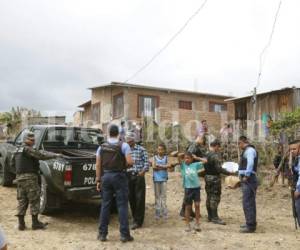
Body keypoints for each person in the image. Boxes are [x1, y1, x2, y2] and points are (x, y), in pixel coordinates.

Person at [11, 131, 60, 231]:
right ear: (25, 139)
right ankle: (35, 223)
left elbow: (12, 165)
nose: (33, 141)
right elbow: (41, 155)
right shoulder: (28, 149)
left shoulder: (17, 150)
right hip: (30, 178)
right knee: (34, 200)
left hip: (19, 178)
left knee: (22, 200)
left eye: (33, 139)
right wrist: (55, 155)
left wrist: (19, 173)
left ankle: (21, 224)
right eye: (31, 139)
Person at [96, 124, 134, 243]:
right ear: (118, 133)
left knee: (105, 205)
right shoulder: (124, 145)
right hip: (119, 176)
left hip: (106, 177)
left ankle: (102, 234)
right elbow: (130, 162)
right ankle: (124, 235)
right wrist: (125, 165)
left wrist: (98, 180)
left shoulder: (101, 147)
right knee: (122, 205)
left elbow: (98, 165)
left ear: (108, 133)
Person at [204, 139, 234, 225]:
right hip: (214, 178)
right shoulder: (215, 156)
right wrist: (229, 172)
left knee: (209, 196)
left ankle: (210, 216)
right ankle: (215, 217)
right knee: (215, 197)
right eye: (219, 147)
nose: (219, 148)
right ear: (216, 146)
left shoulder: (206, 154)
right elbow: (219, 168)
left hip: (207, 177)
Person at [126, 132, 149, 230]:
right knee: (131, 198)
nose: (129, 142)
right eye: (127, 141)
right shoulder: (125, 150)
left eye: (130, 141)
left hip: (139, 175)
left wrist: (143, 171)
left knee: (140, 198)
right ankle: (135, 218)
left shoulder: (141, 149)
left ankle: (139, 221)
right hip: (128, 176)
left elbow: (147, 162)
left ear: (134, 140)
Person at [179, 136, 207, 217]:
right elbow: (188, 158)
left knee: (189, 194)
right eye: (202, 140)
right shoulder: (194, 146)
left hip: (190, 171)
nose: (203, 143)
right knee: (188, 194)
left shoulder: (194, 145)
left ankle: (187, 212)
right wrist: (191, 170)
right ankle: (184, 212)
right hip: (190, 172)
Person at [178, 151, 205, 232]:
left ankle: (197, 223)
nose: (186, 160)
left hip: (196, 188)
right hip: (188, 189)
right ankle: (187, 224)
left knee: (197, 205)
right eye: (185, 158)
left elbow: (205, 161)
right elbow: (179, 156)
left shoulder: (195, 165)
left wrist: (196, 157)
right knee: (188, 207)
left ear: (192, 159)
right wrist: (185, 154)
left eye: (188, 158)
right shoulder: (183, 166)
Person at [238, 136, 258, 233]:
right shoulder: (247, 150)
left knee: (248, 202)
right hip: (248, 179)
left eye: (239, 143)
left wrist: (246, 175)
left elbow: (250, 163)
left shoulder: (249, 150)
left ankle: (250, 226)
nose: (239, 146)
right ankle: (249, 222)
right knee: (248, 202)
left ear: (243, 142)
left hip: (249, 179)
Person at [152, 143, 169, 220]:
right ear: (157, 150)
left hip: (164, 179)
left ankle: (164, 213)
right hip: (156, 179)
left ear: (164, 150)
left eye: (162, 149)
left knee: (164, 196)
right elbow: (154, 167)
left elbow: (168, 166)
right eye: (159, 149)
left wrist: (159, 166)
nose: (160, 151)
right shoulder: (154, 158)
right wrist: (163, 167)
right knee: (157, 196)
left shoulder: (166, 158)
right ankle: (158, 213)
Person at [289, 140, 300, 226]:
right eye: (290, 149)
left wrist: (298, 189)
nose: (292, 151)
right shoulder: (296, 159)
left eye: (294, 149)